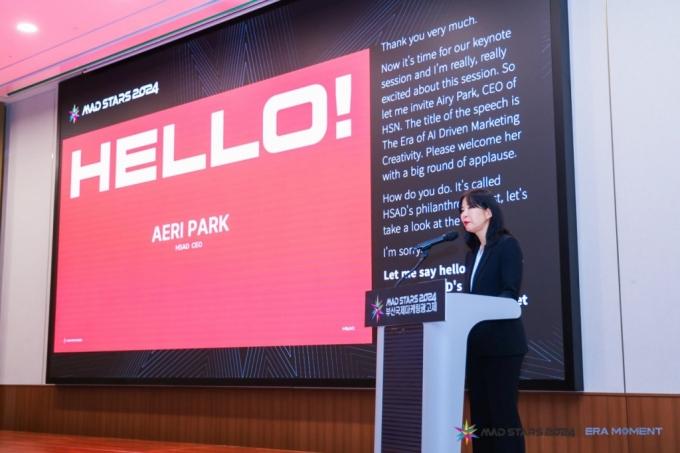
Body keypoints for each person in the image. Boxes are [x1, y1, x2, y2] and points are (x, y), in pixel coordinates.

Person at [459, 188, 527, 453]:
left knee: (502, 417)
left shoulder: (507, 245)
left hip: (503, 346)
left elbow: (509, 295)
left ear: (488, 212)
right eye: (462, 210)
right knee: (481, 419)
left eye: (471, 208)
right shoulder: (472, 254)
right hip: (476, 348)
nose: (464, 214)